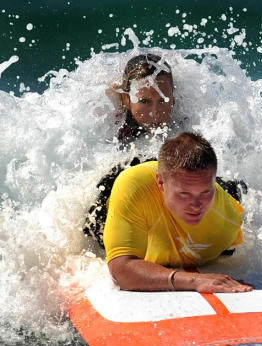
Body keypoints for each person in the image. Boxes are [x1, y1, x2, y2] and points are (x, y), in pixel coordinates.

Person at [83, 53, 246, 246]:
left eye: (163, 100)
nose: (155, 111)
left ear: (174, 98)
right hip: (130, 185)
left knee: (234, 189)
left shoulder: (185, 119)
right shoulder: (114, 118)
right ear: (127, 100)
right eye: (144, 101)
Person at [103, 132, 253, 292]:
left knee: (236, 190)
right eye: (184, 194)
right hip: (135, 182)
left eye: (205, 192)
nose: (196, 205)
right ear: (160, 182)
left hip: (196, 185)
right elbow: (121, 272)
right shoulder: (134, 189)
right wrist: (195, 280)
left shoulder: (226, 226)